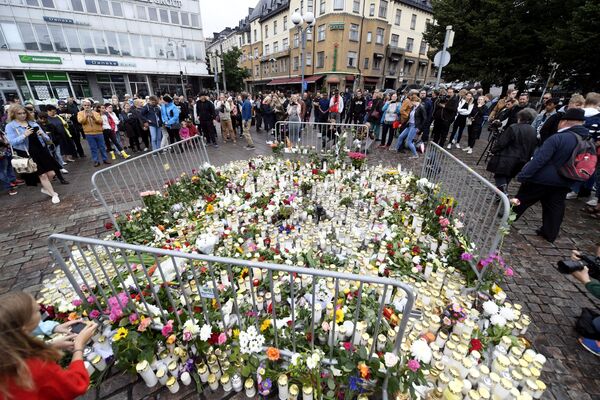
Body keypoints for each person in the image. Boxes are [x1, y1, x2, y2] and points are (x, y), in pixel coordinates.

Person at [0, 291, 97, 399]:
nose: (38, 306)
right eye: (36, 311)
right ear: (23, 328)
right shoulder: (37, 366)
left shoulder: (6, 351)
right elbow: (76, 384)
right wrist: (79, 346)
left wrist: (51, 343)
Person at [514, 108, 591, 242]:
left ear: (564, 121)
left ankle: (506, 221)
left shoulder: (558, 137)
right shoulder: (586, 139)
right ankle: (549, 233)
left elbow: (539, 159)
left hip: (541, 179)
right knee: (555, 208)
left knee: (521, 201)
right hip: (565, 180)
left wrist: (524, 175)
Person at [5, 104, 62, 203]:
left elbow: (47, 139)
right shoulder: (11, 126)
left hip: (41, 150)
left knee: (52, 173)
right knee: (42, 175)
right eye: (19, 113)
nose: (23, 115)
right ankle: (53, 194)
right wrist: (24, 135)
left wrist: (43, 135)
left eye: (24, 113)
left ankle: (45, 189)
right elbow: (12, 142)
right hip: (27, 152)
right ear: (13, 114)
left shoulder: (32, 123)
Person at [486, 108, 539, 194]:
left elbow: (502, 142)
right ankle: (500, 195)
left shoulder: (514, 127)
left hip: (508, 157)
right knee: (508, 176)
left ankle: (504, 194)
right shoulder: (533, 130)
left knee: (500, 176)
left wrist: (493, 150)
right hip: (522, 159)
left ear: (520, 117)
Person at [0, 129, 20, 196]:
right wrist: (5, 143)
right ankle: (8, 187)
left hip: (5, 150)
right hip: (2, 151)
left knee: (9, 165)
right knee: (1, 171)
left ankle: (12, 180)